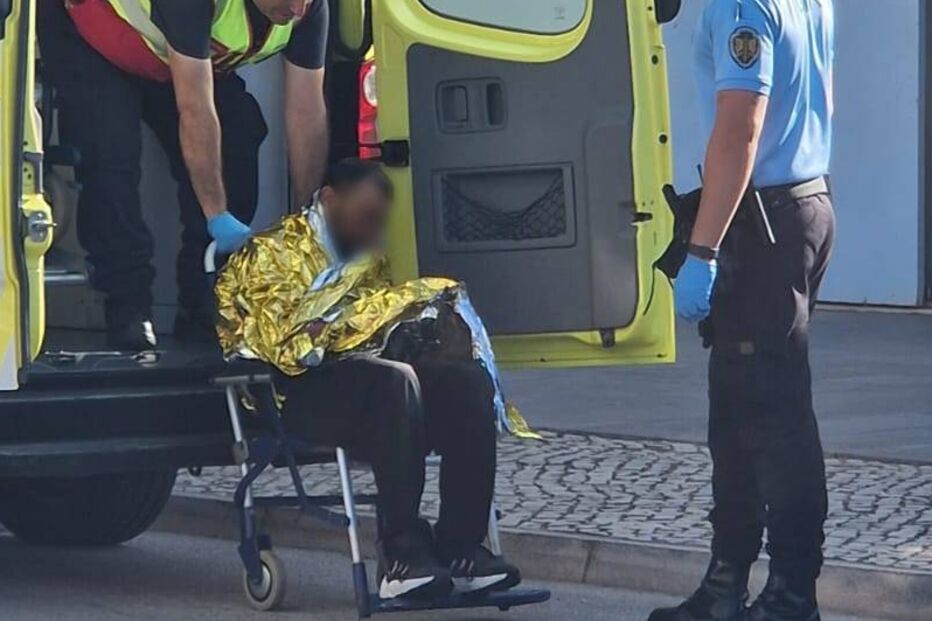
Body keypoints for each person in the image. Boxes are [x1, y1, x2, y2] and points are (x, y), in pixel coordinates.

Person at [242, 160, 522, 601]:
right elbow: (277, 343)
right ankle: (401, 553)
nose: (372, 229)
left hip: (366, 380)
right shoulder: (270, 253)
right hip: (295, 392)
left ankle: (460, 545)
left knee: (466, 382)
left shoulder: (363, 254)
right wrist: (342, 329)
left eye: (377, 220)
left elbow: (374, 326)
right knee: (394, 382)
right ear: (330, 199)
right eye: (365, 217)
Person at [650, 2, 835, 621]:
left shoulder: (739, 4)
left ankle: (789, 592)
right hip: (794, 207)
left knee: (773, 417)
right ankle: (725, 585)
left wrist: (702, 248)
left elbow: (740, 129)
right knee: (734, 412)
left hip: (761, 223)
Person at [38, 0, 330, 350]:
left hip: (166, 55)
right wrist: (216, 216)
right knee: (109, 153)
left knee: (237, 135)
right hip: (91, 34)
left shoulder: (309, 10)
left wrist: (309, 219)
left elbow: (307, 111)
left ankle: (202, 307)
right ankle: (128, 309)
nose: (297, 9)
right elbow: (195, 109)